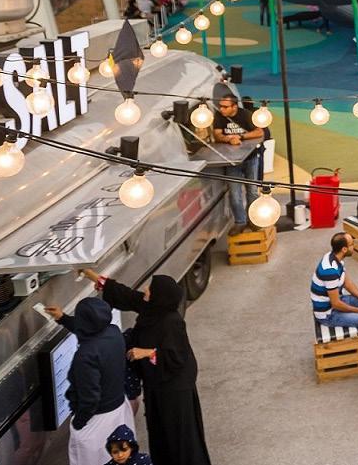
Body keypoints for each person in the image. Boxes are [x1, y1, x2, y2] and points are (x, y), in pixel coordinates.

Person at [81, 271, 211, 465]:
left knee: (179, 438)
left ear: (160, 296)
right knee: (160, 433)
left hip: (175, 391)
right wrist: (92, 276)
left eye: (150, 288)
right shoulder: (152, 308)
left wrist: (148, 353)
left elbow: (177, 358)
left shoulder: (172, 322)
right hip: (157, 385)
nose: (145, 289)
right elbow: (127, 295)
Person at [42, 298, 132, 465]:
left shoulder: (85, 356)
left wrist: (79, 423)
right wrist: (63, 318)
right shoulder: (113, 332)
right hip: (119, 408)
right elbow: (92, 328)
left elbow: (90, 398)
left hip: (96, 419)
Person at [212, 88, 265, 235]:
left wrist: (241, 137)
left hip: (250, 158)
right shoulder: (219, 116)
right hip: (232, 161)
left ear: (234, 106)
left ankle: (253, 219)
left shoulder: (246, 115)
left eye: (225, 107)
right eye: (221, 106)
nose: (222, 109)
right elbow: (217, 134)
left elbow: (259, 132)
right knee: (235, 194)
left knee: (252, 191)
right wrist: (228, 139)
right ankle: (240, 222)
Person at [311, 231, 358, 330]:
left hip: (338, 300)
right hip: (329, 314)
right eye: (352, 244)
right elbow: (336, 304)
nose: (354, 246)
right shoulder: (330, 272)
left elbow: (347, 283)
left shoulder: (335, 257)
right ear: (344, 249)